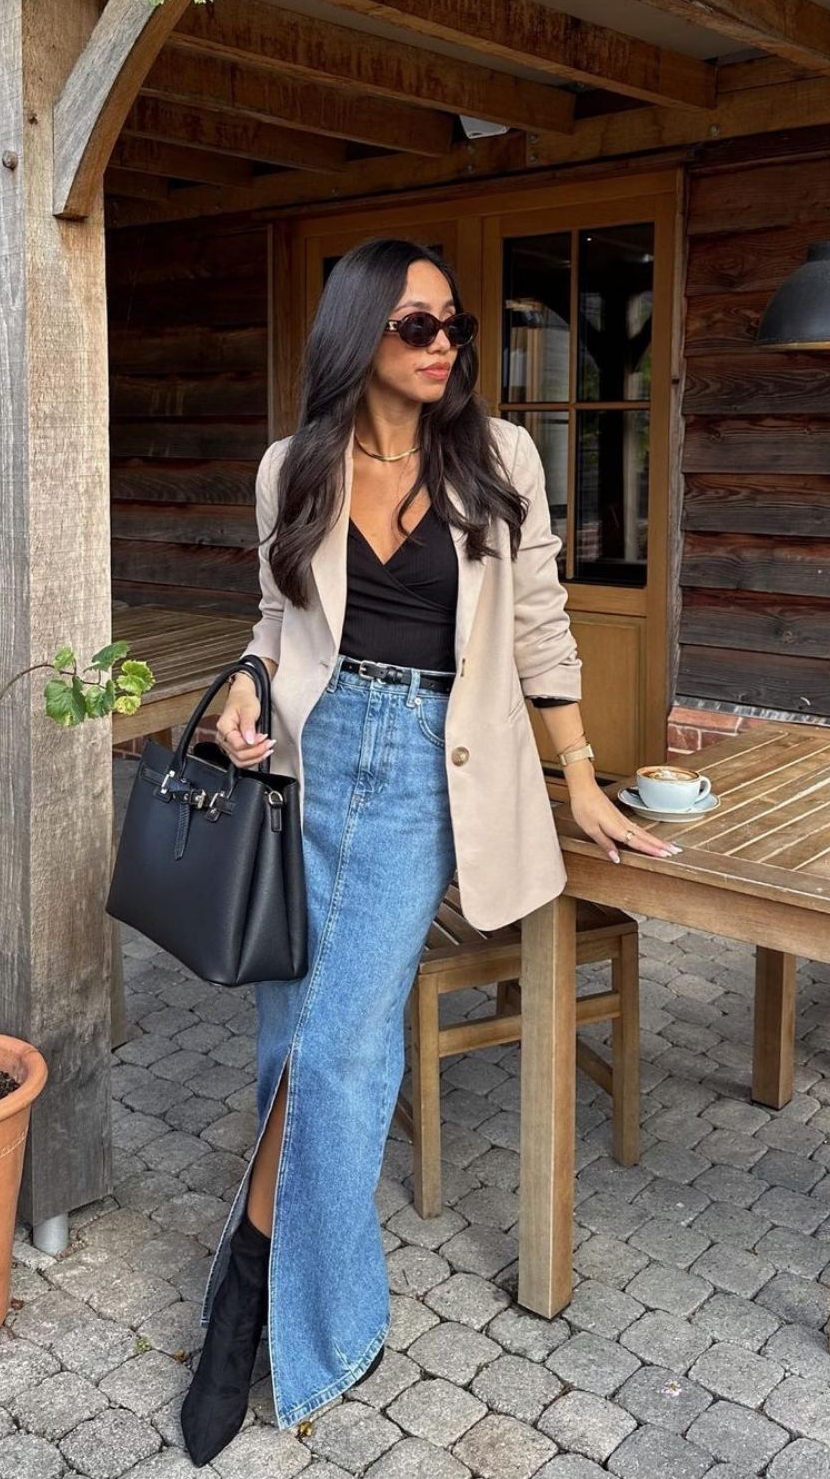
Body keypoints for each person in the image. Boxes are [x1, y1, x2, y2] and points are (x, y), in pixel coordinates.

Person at [180, 237, 678, 1465]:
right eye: (417, 326)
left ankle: (250, 1298)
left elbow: (542, 620)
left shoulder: (497, 456)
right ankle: (301, 1293)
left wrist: (577, 780)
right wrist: (245, 683)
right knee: (290, 1036)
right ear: (358, 337)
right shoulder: (289, 468)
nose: (446, 343)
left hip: (423, 767)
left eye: (452, 323)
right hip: (309, 754)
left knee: (340, 1048)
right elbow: (273, 618)